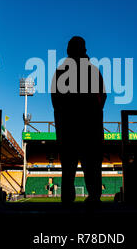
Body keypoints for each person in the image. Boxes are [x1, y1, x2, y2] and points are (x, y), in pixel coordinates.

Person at [51, 36, 107, 205]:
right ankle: (94, 197)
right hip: (90, 127)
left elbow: (56, 101)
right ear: (84, 50)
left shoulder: (61, 71)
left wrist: (64, 117)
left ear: (69, 50)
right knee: (91, 165)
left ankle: (68, 199)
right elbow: (102, 99)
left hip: (69, 127)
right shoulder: (93, 71)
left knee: (68, 166)